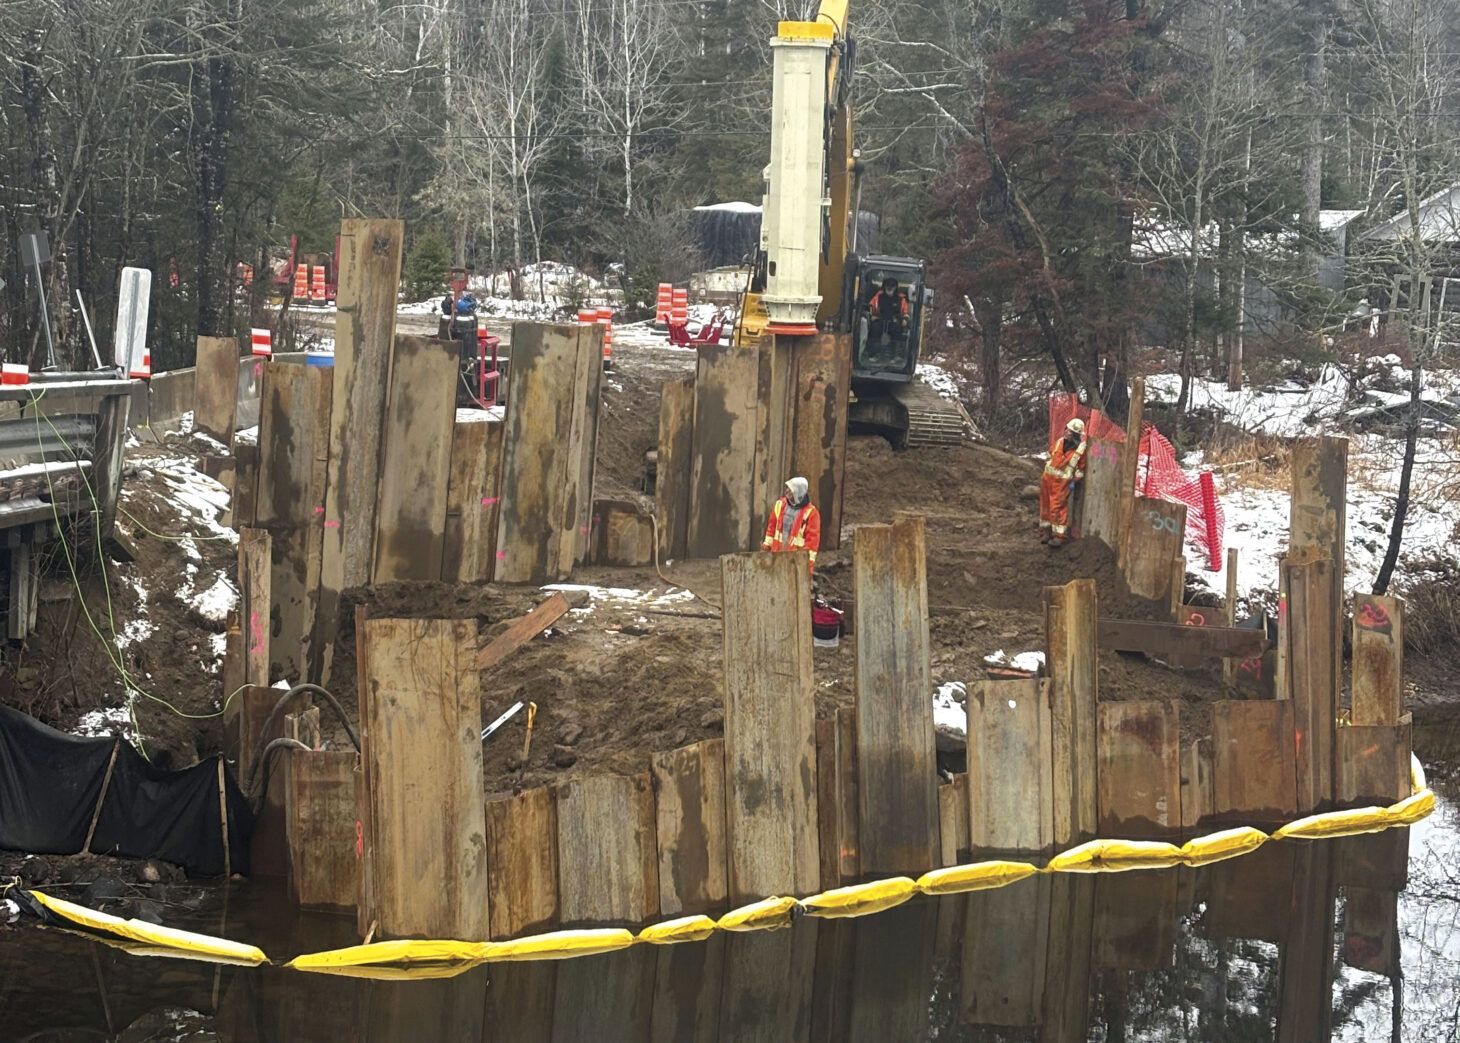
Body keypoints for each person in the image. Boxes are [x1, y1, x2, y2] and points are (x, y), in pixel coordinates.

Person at [1040, 418, 1087, 547]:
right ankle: (1046, 532)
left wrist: (1073, 482)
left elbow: (1080, 469)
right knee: (1045, 506)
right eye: (1067, 429)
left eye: (1070, 431)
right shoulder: (1059, 443)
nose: (1067, 432)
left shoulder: (1080, 450)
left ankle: (1059, 536)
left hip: (1062, 483)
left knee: (1057, 508)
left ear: (1076, 435)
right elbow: (1050, 456)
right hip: (1048, 479)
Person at [762, 476, 821, 574]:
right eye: (787, 488)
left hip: (795, 563)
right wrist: (766, 548)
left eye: (791, 489)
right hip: (776, 557)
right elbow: (771, 528)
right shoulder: (779, 505)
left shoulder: (811, 514)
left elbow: (812, 543)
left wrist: (807, 568)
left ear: (799, 493)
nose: (787, 491)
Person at [867, 277, 909, 352]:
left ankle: (896, 354)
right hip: (880, 320)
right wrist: (872, 316)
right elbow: (871, 308)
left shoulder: (901, 299)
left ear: (896, 287)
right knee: (874, 328)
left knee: (897, 330)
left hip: (895, 322)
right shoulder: (877, 297)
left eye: (892, 285)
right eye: (887, 285)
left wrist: (904, 319)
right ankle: (873, 353)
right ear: (884, 286)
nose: (890, 287)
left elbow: (905, 313)